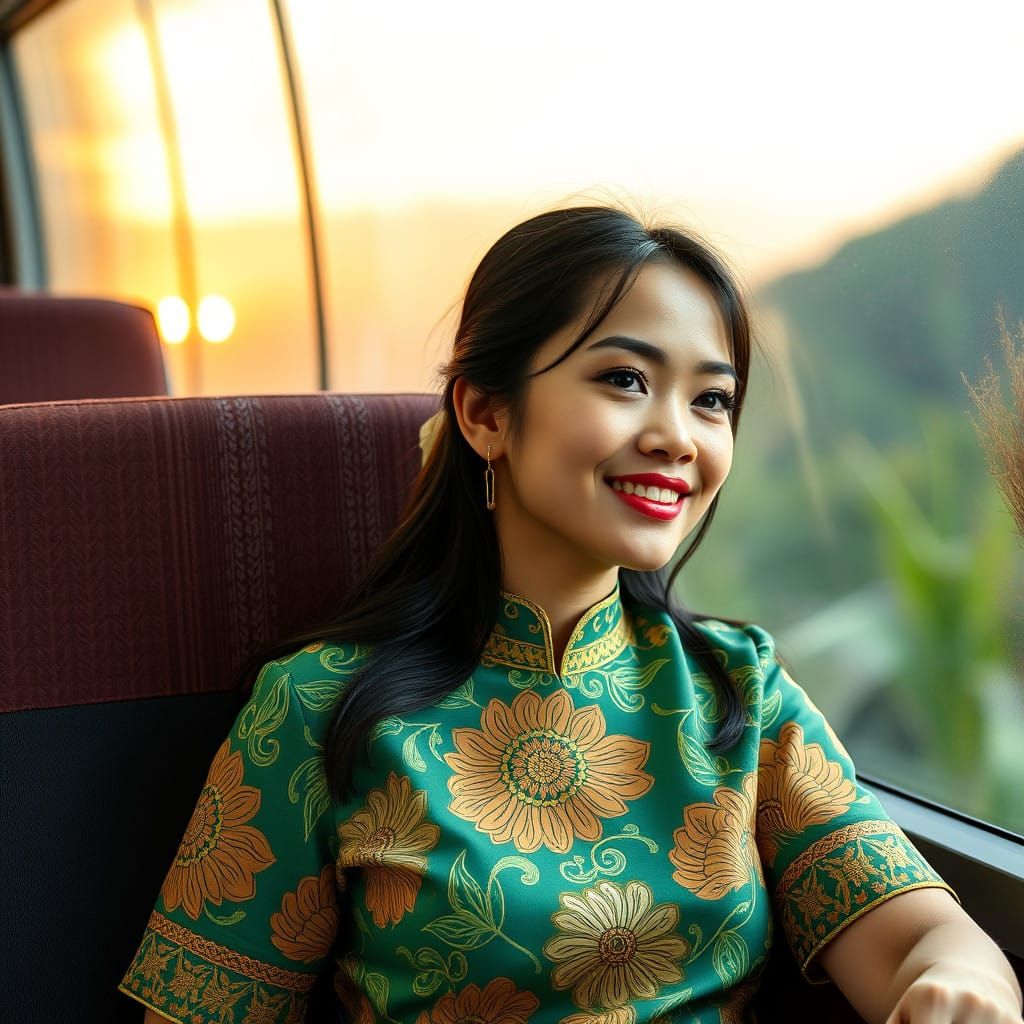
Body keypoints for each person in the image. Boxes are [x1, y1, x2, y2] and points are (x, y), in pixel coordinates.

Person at [119, 204, 1023, 1024]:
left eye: (712, 399)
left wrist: (964, 984)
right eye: (626, 380)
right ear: (484, 414)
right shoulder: (319, 710)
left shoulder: (737, 689)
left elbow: (916, 939)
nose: (678, 433)